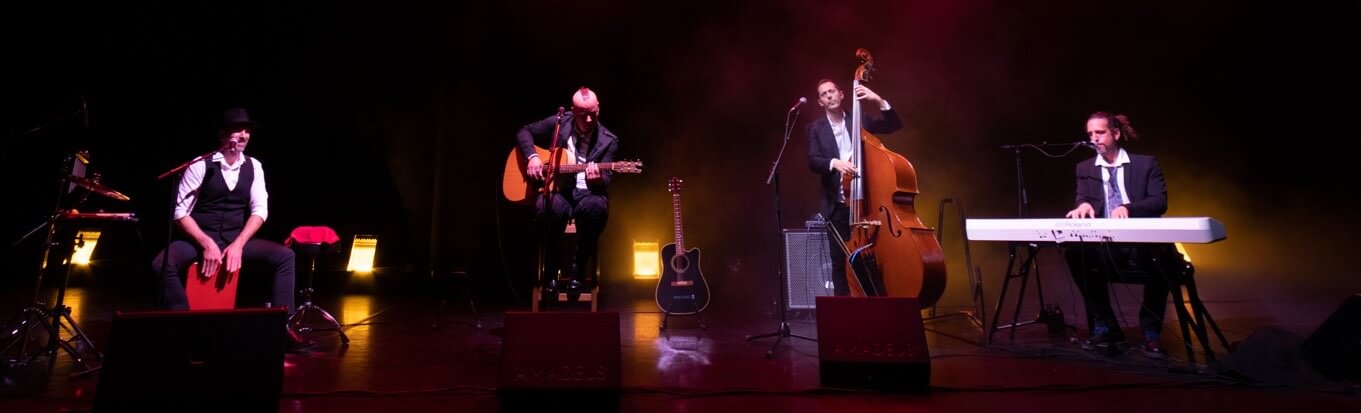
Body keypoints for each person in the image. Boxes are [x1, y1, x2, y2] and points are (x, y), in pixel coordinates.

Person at [151, 108, 297, 323]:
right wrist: (206, 243)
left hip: (234, 239)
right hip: (199, 239)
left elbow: (260, 210)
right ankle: (184, 322)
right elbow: (180, 212)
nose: (244, 135)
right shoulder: (200, 165)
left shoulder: (254, 166)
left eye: (247, 131)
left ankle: (284, 326)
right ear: (223, 134)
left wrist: (239, 244)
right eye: (238, 130)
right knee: (161, 264)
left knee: (285, 256)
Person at [1064, 111, 1183, 358]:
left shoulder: (1145, 164)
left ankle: (1150, 331)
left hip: (1141, 243)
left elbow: (1159, 202)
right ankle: (1107, 326)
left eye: (1100, 132)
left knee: (1162, 258)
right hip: (1108, 245)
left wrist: (1129, 208)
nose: (1094, 138)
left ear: (1116, 134)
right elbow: (1082, 198)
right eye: (1090, 134)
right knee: (1075, 253)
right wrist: (1082, 205)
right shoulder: (1085, 168)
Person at [516, 87, 618, 296]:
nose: (588, 119)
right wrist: (532, 157)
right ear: (573, 111)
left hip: (588, 193)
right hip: (560, 191)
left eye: (593, 113)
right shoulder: (560, 123)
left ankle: (578, 271)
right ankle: (551, 272)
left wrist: (597, 180)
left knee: (596, 209)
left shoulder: (609, 140)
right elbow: (524, 132)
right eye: (583, 115)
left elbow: (606, 180)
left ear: (598, 108)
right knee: (545, 207)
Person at [806, 79, 903, 296]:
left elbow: (893, 125)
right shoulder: (815, 129)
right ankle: (845, 310)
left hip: (867, 204)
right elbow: (813, 161)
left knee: (874, 257)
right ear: (820, 102)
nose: (829, 96)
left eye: (832, 91)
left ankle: (878, 302)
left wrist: (878, 100)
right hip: (837, 206)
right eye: (824, 94)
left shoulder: (860, 120)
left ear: (841, 94)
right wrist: (835, 163)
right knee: (839, 262)